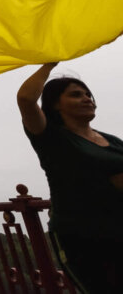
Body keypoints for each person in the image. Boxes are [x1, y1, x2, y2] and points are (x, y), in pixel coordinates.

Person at [18, 62, 123, 292]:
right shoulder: (51, 137)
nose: (87, 99)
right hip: (83, 237)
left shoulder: (112, 141)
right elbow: (25, 99)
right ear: (55, 105)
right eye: (76, 95)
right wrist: (50, 62)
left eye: (88, 95)